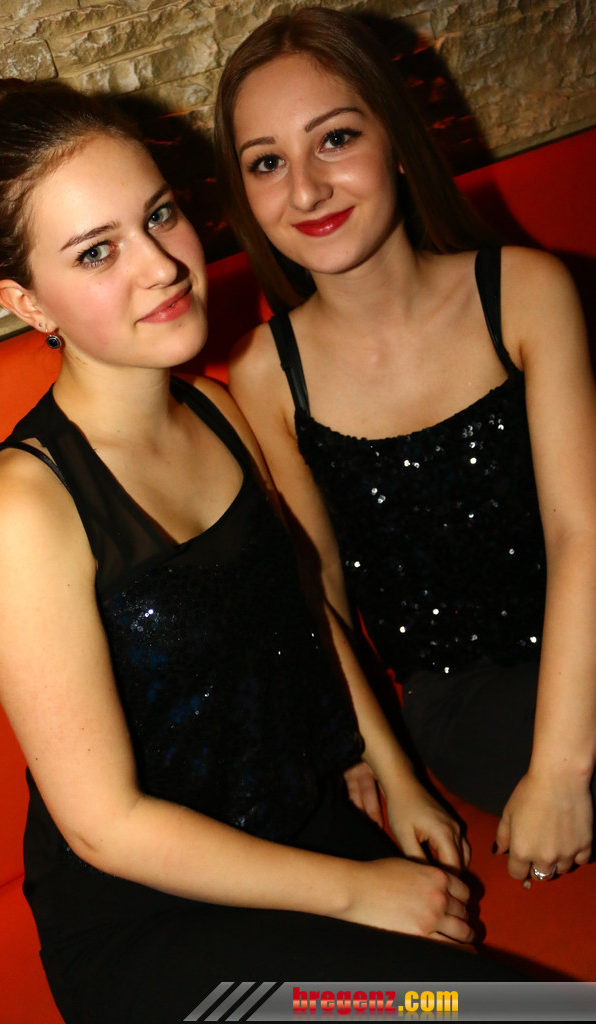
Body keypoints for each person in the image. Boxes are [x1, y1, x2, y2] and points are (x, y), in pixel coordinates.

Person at [0, 78, 523, 1023]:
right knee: (485, 1011)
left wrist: (394, 773)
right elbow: (104, 827)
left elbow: (302, 612)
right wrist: (357, 891)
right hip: (150, 920)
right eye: (96, 252)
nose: (161, 266)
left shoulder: (215, 411)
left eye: (158, 216)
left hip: (297, 834)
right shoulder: (24, 509)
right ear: (26, 302)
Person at [215, 5, 596, 888]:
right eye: (266, 162)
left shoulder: (523, 291)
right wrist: (378, 764)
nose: (305, 190)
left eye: (334, 139)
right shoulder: (266, 375)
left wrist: (562, 769)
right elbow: (318, 597)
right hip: (461, 696)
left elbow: (580, 530)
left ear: (394, 138)